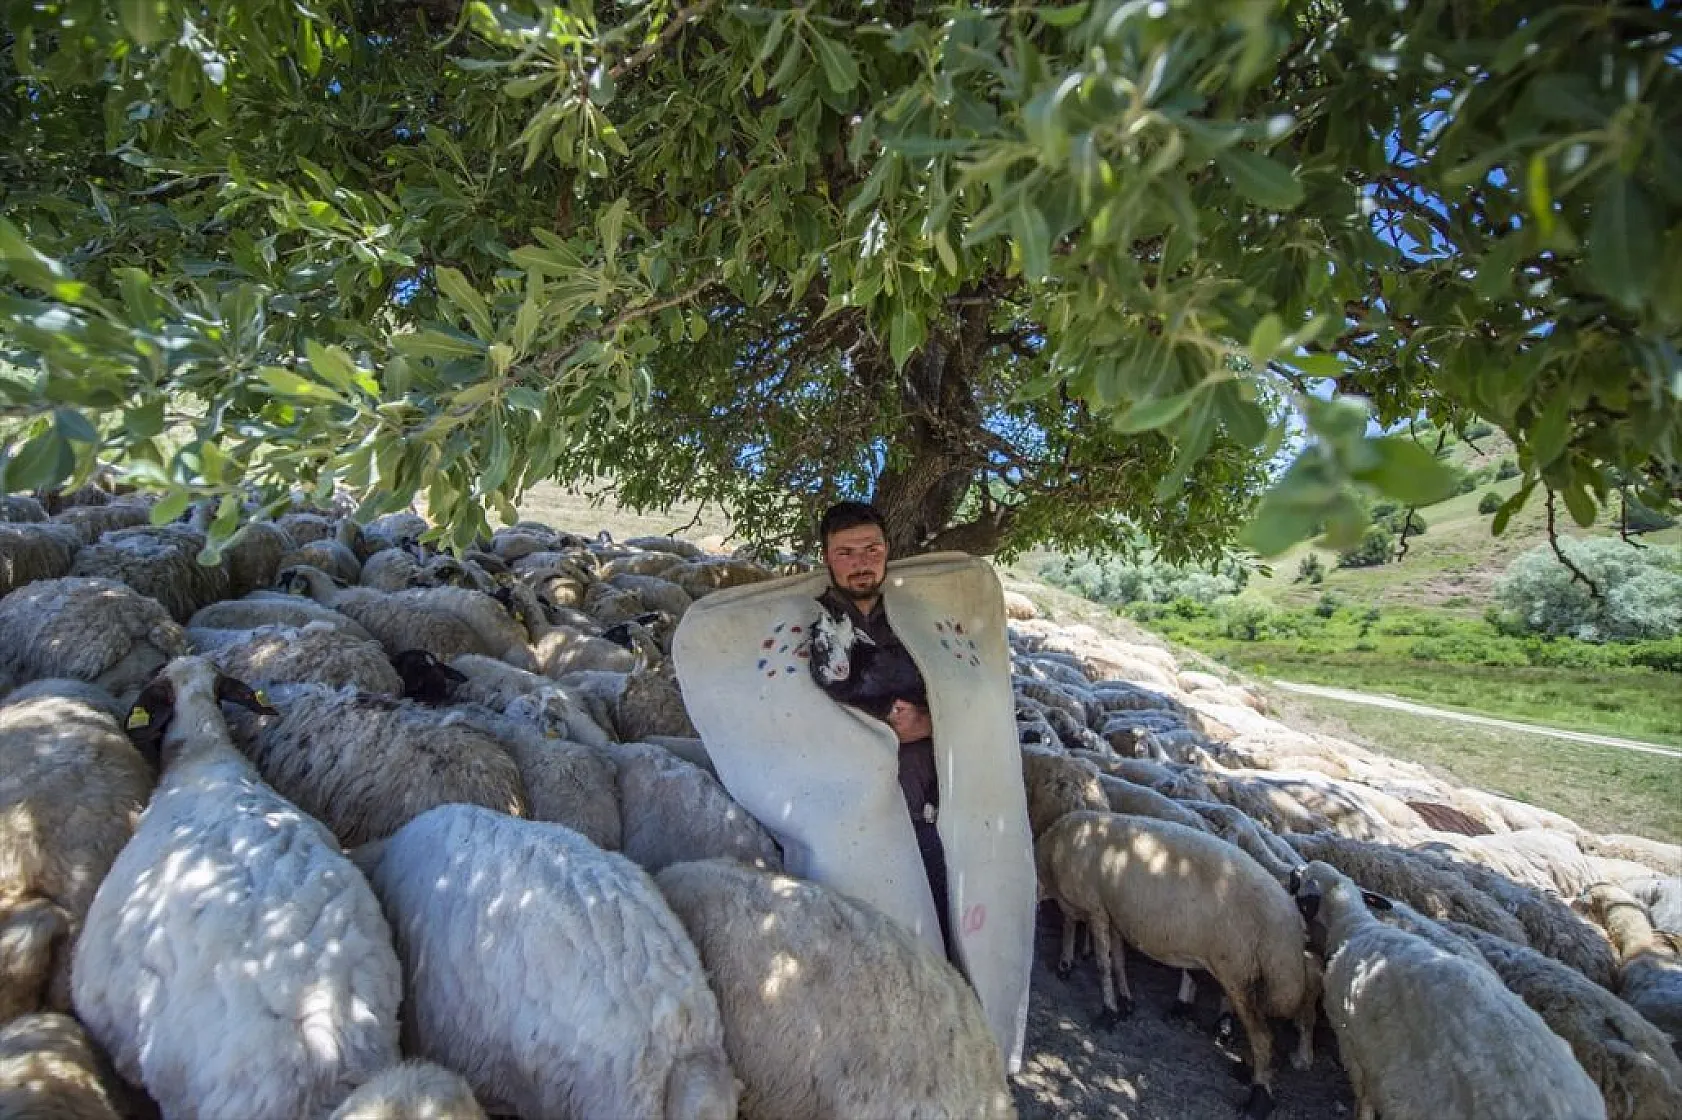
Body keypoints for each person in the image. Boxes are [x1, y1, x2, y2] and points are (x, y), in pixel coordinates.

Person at [814, 501, 955, 959]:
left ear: (887, 550)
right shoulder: (815, 625)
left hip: (928, 806)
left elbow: (967, 696)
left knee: (935, 932)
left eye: (871, 549)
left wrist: (931, 722)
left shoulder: (919, 620)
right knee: (865, 937)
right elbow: (806, 712)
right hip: (851, 813)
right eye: (846, 552)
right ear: (827, 558)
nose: (861, 563)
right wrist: (884, 729)